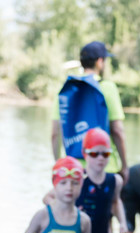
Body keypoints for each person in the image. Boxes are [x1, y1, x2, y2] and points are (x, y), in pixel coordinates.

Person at [52, 41, 127, 180]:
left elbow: (55, 133)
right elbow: (117, 130)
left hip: (74, 171)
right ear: (100, 62)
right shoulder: (107, 87)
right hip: (105, 170)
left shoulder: (66, 90)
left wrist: (59, 164)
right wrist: (125, 166)